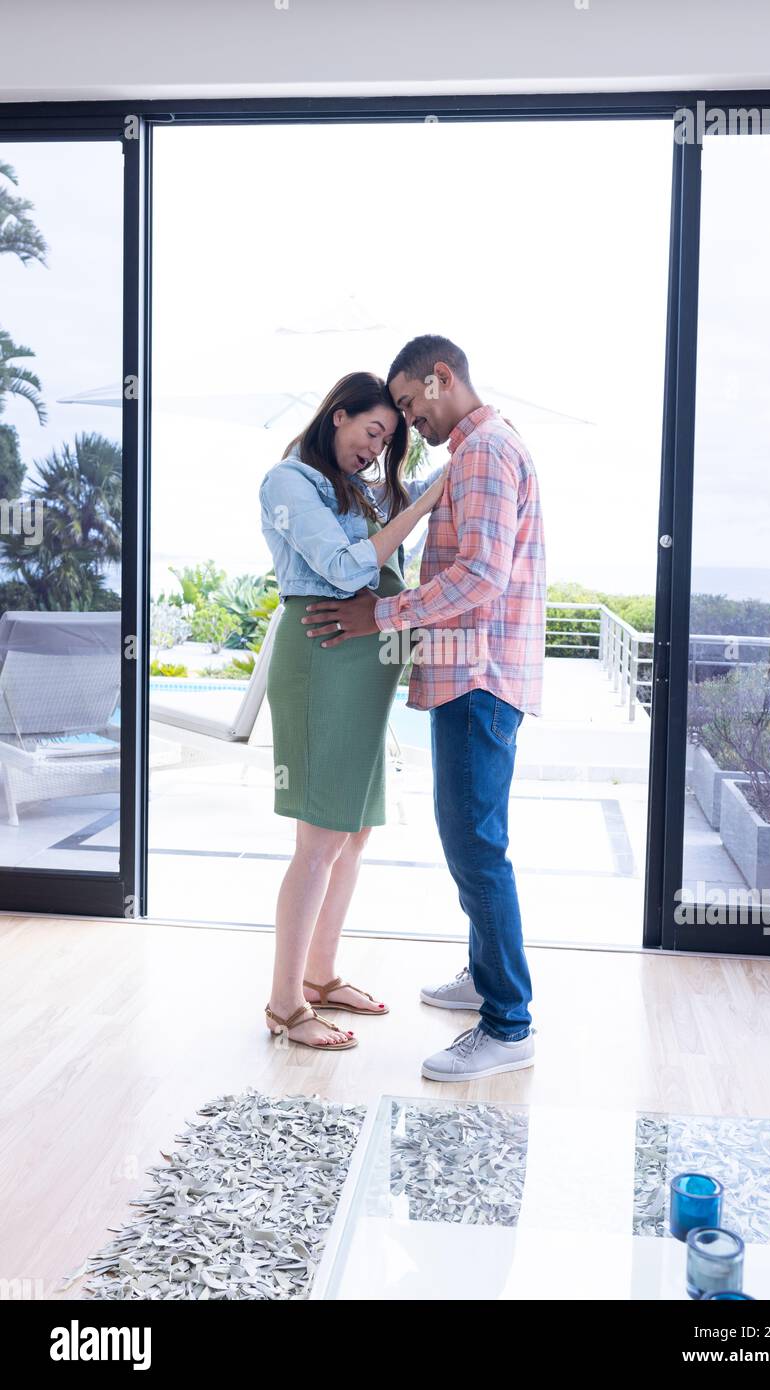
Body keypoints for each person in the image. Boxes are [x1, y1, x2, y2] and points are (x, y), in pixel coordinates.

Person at [301, 336, 547, 1081]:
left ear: (442, 378)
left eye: (409, 404)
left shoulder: (484, 453)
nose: (410, 420)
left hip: (476, 674)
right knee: (473, 837)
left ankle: (507, 1023)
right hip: (465, 672)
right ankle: (484, 977)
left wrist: (376, 617)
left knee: (474, 845)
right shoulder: (474, 454)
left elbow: (479, 574)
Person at [259, 370, 447, 1050]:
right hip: (324, 657)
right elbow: (342, 572)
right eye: (372, 432)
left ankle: (319, 974)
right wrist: (418, 509)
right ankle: (284, 1003)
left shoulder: (360, 491)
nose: (375, 450)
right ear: (337, 415)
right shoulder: (291, 482)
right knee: (318, 840)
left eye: (388, 441)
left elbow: (413, 504)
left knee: (354, 834)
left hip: (363, 667)